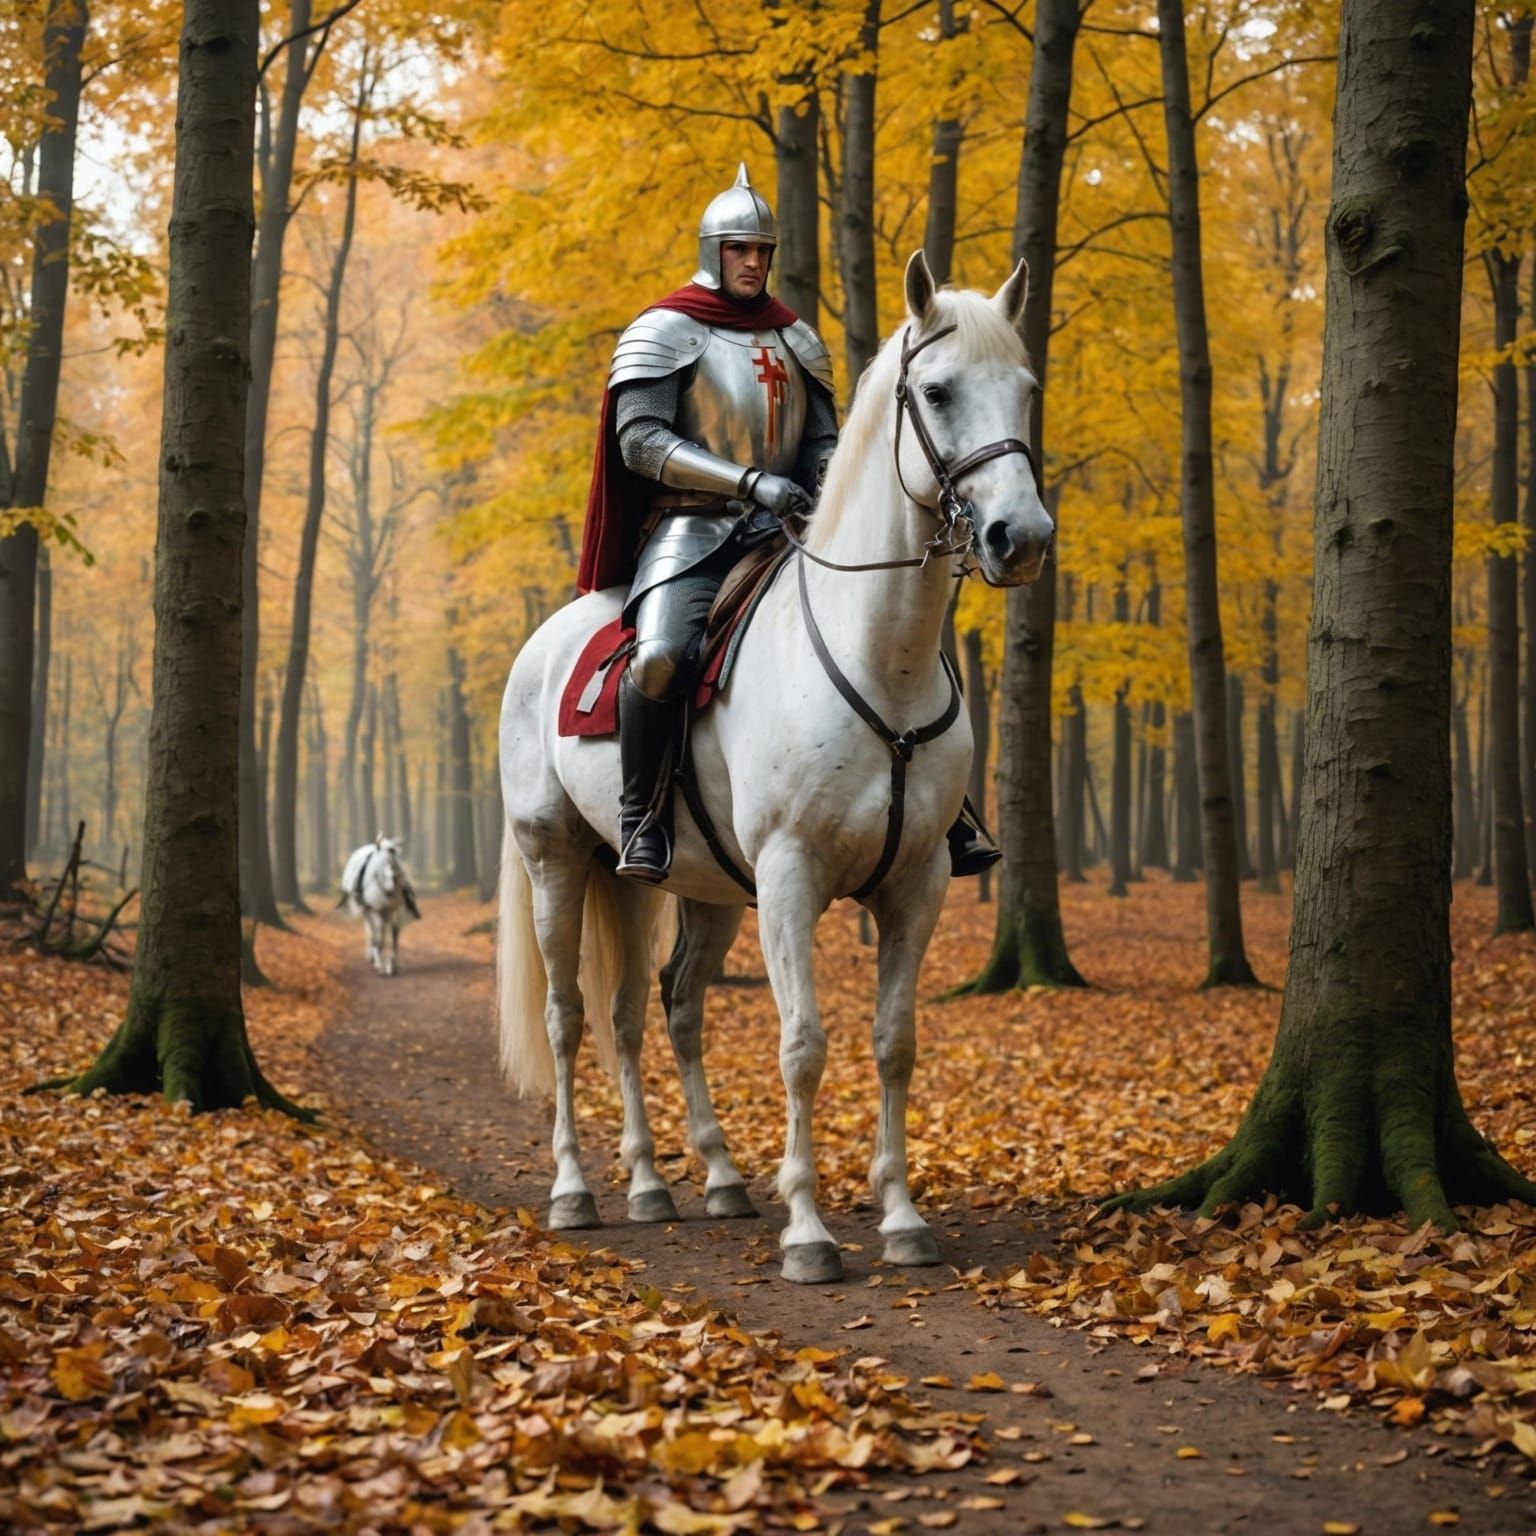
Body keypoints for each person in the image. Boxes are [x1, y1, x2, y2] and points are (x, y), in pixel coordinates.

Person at [579, 164, 1000, 885]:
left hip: (791, 532)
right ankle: (641, 815)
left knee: (900, 639)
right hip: (693, 534)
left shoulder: (797, 340)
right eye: (739, 249)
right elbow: (641, 442)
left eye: (762, 251)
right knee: (660, 656)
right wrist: (748, 480)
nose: (753, 262)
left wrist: (822, 486)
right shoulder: (665, 330)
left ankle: (946, 808)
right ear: (714, 252)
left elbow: (824, 446)